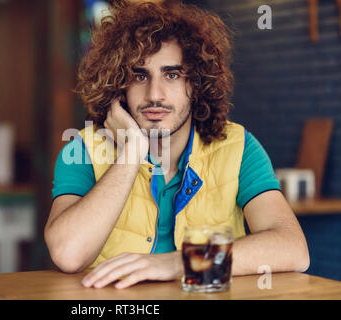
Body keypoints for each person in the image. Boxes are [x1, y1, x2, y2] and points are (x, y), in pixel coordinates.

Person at [44, 0, 310, 289]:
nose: (154, 94)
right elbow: (67, 254)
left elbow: (293, 248)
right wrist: (131, 152)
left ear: (196, 84)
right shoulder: (82, 149)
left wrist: (178, 262)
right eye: (139, 75)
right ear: (119, 85)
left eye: (172, 75)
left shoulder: (239, 147)